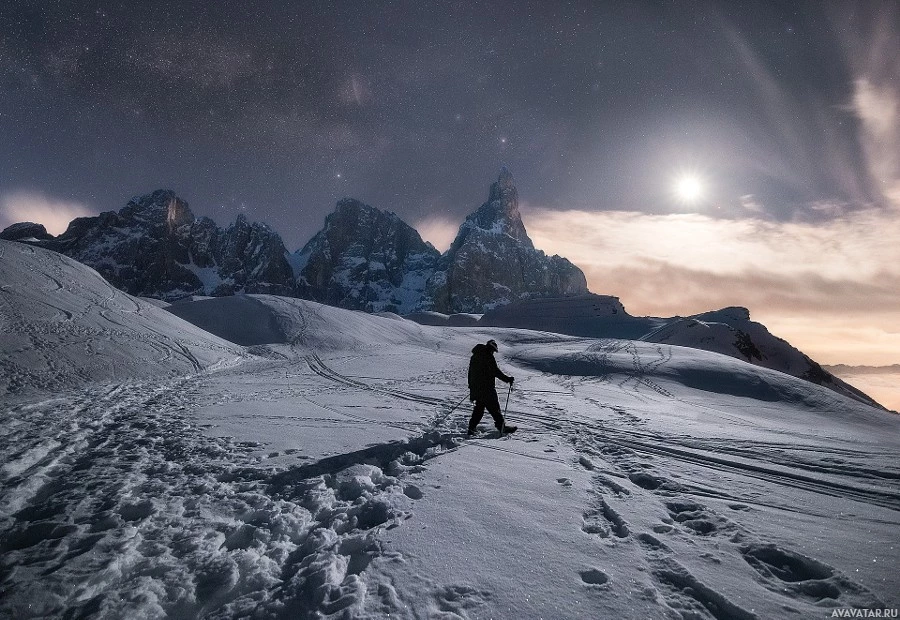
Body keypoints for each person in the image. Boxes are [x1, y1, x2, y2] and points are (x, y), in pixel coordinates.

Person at [467, 339, 516, 436]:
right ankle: (502, 427)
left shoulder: (475, 356)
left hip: (478, 389)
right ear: (491, 348)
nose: (493, 352)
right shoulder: (488, 357)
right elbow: (495, 371)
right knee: (494, 408)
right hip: (487, 388)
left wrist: (472, 388)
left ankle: (471, 428)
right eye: (493, 351)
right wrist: (508, 379)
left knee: (479, 409)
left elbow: (470, 374)